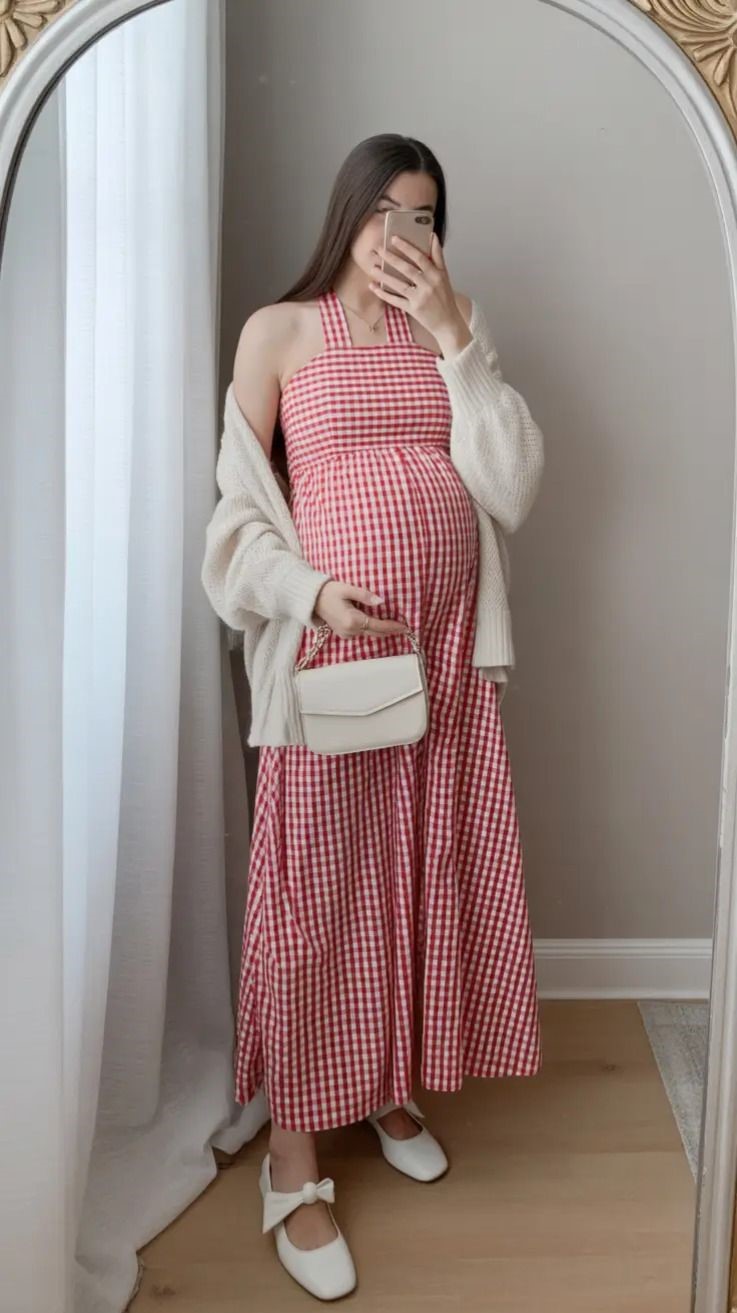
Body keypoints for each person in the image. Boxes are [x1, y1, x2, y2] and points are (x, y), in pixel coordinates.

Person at [207, 132, 544, 1301]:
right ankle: (292, 1159)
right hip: (331, 662)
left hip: (444, 663)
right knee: (314, 898)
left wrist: (454, 337)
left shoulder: (456, 326)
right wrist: (311, 594)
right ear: (348, 213)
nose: (403, 238)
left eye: (426, 218)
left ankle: (387, 1081)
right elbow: (235, 519)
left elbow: (509, 487)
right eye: (386, 213)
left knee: (419, 875)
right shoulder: (277, 332)